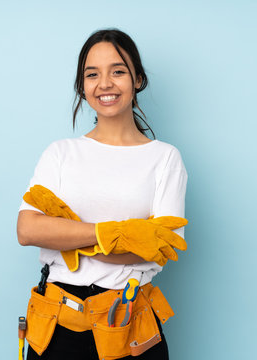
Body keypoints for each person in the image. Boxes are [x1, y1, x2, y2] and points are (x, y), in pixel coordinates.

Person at [17, 28, 188, 360]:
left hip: (130, 324)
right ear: (82, 86)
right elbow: (28, 229)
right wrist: (115, 235)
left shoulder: (165, 158)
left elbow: (155, 249)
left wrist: (66, 234)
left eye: (118, 71)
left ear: (137, 79)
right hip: (57, 325)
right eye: (92, 74)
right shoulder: (60, 153)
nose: (105, 83)